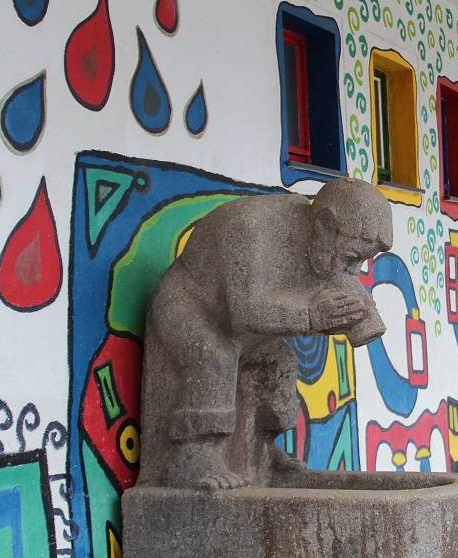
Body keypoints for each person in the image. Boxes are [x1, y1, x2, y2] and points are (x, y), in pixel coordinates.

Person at [137, 177, 393, 489]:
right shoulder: (250, 228)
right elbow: (245, 311)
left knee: (280, 362)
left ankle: (261, 448)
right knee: (212, 354)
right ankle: (192, 455)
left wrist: (351, 315)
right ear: (325, 226)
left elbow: (342, 308)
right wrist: (311, 316)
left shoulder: (322, 244)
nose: (355, 269)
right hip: (189, 304)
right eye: (353, 257)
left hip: (232, 322)